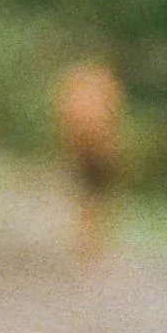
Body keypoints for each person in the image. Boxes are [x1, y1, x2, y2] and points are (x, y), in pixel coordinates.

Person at [52, 58, 125, 266]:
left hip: (86, 148)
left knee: (91, 194)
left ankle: (87, 240)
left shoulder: (77, 85)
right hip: (96, 149)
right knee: (95, 195)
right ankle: (89, 242)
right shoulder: (104, 86)